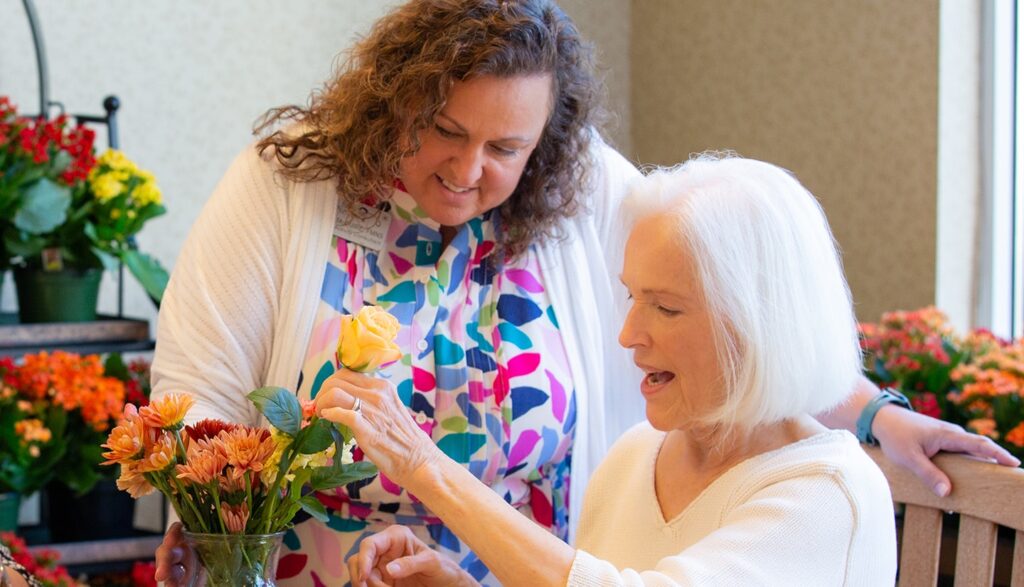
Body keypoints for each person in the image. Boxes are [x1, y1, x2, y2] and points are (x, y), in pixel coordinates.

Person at [151, 0, 1018, 584]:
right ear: (390, 102)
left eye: (504, 147)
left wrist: (874, 413)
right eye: (444, 130)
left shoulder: (585, 184)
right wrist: (212, 520)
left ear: (544, 144)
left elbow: (740, 304)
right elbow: (199, 391)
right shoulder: (290, 183)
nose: (467, 168)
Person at [325, 155, 898, 585]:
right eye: (632, 299)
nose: (628, 335)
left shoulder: (827, 493)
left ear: (758, 327)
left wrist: (425, 466)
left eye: (666, 308)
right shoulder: (637, 455)